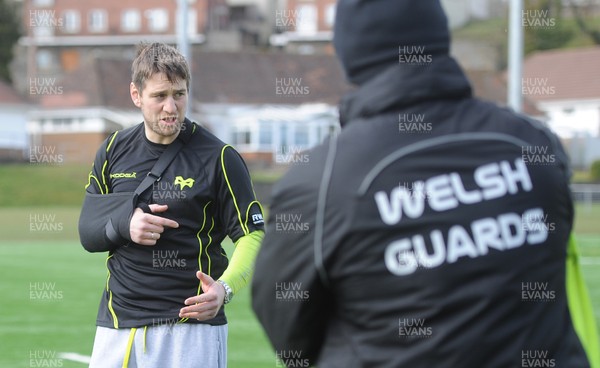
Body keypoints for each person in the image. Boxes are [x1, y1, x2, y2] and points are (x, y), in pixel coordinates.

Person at [251, 1, 597, 367]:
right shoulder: (534, 143)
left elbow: (286, 322)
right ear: (439, 35)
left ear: (348, 52)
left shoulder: (321, 180)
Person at [78, 42, 264, 368]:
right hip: (118, 324)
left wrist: (225, 289)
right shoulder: (112, 150)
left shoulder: (219, 157)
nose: (171, 107)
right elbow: (88, 233)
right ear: (136, 96)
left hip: (189, 328)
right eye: (159, 96)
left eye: (179, 94)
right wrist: (127, 223)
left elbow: (252, 234)